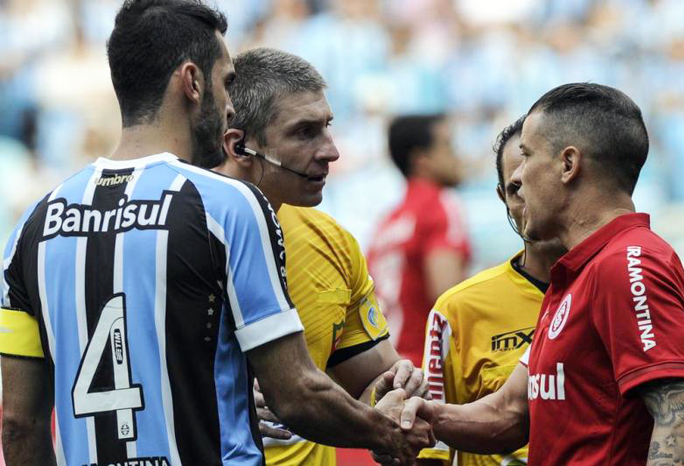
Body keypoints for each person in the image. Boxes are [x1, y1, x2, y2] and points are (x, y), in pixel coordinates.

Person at [0, 2, 432, 465]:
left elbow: (18, 424)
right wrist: (382, 431)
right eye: (226, 82)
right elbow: (295, 394)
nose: (230, 106)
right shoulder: (228, 205)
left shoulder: (33, 226)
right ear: (192, 82)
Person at [379, 83, 684, 465]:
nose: (519, 177)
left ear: (568, 165)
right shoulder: (575, 276)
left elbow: (679, 420)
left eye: (527, 157)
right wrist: (416, 412)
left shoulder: (628, 264)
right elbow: (510, 412)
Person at [215, 46, 428, 466]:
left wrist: (398, 392)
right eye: (305, 132)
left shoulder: (330, 241)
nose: (331, 151)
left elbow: (372, 379)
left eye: (327, 127)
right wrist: (215, 405)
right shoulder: (172, 237)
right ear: (240, 146)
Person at [417, 116, 565, 466]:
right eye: (516, 188)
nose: (530, 199)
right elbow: (429, 453)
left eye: (540, 182)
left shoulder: (623, 287)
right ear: (502, 197)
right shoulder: (458, 309)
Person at [367, 114, 472, 367]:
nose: (459, 156)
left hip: (384, 365)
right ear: (422, 159)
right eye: (449, 146)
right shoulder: (440, 203)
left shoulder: (386, 223)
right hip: (425, 368)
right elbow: (448, 295)